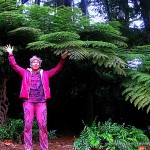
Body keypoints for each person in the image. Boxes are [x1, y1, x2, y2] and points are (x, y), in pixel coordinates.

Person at [5, 44, 70, 150]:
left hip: (41, 103)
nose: (35, 63)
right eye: (33, 62)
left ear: (40, 64)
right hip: (28, 102)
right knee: (27, 126)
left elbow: (57, 69)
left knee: (43, 126)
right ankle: (28, 148)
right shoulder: (25, 72)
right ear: (31, 64)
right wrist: (10, 54)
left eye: (37, 62)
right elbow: (15, 66)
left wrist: (62, 59)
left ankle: (44, 148)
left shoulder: (45, 74)